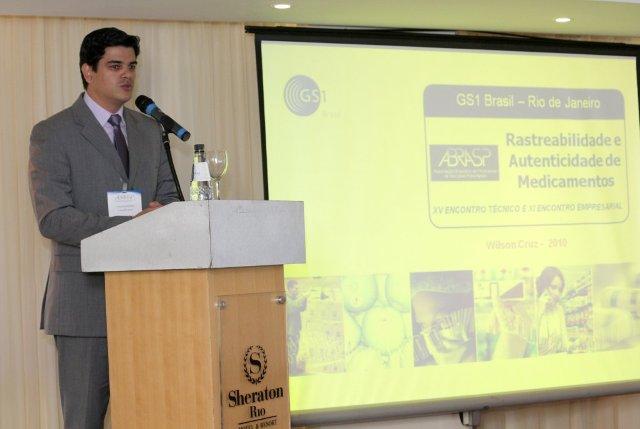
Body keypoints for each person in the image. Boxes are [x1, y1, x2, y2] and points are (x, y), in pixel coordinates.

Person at [29, 27, 179, 428]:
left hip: (148, 302)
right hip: (84, 304)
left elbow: (170, 198)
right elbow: (53, 218)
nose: (126, 74)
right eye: (115, 66)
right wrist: (130, 224)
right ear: (88, 71)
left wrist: (164, 214)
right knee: (83, 421)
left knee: (151, 417)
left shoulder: (149, 130)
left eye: (131, 66)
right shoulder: (53, 132)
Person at [536, 266, 569, 355]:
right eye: (553, 287)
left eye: (560, 290)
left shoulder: (559, 310)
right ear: (543, 286)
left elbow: (564, 344)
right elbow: (529, 343)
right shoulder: (533, 308)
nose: (557, 293)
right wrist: (540, 309)